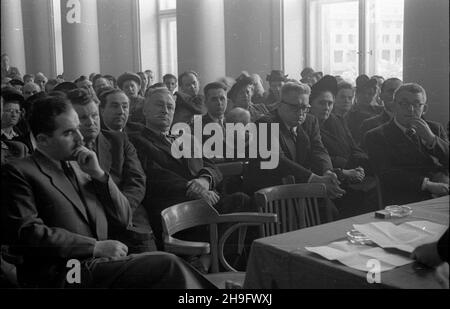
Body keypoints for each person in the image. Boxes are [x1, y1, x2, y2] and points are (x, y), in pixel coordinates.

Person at [1, 95, 214, 288]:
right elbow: (27, 233)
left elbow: (123, 218)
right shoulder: (20, 171)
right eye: (68, 132)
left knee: (167, 271)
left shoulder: (81, 165)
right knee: (166, 265)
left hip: (98, 264)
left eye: (78, 128)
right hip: (63, 272)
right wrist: (94, 247)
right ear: (43, 140)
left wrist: (100, 176)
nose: (80, 137)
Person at [128, 87, 253, 251]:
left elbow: (211, 166)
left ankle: (218, 261)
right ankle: (214, 260)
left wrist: (204, 180)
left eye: (170, 107)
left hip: (200, 199)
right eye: (159, 105)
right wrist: (193, 188)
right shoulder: (137, 140)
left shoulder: (183, 138)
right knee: (240, 203)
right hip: (172, 205)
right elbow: (155, 176)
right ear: (145, 109)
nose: (165, 111)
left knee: (244, 203)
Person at [67, 88, 153, 249]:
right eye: (82, 118)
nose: (91, 122)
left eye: (94, 116)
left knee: (158, 263)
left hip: (129, 219)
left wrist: (121, 210)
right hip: (88, 226)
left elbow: (137, 181)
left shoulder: (118, 140)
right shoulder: (65, 150)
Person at [245, 82, 346, 205]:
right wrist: (314, 178)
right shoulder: (265, 124)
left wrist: (327, 171)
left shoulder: (310, 121)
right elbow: (278, 160)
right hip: (271, 196)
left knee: (333, 209)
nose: (301, 113)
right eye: (295, 107)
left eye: (305, 107)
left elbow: (319, 150)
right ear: (280, 105)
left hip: (300, 189)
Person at [365, 83, 449, 205]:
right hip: (406, 198)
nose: (410, 109)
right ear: (393, 106)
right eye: (404, 104)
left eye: (416, 104)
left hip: (443, 194)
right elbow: (387, 173)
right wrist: (427, 185)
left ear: (424, 109)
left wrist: (431, 139)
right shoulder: (376, 135)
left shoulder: (435, 129)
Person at [360, 78, 403, 147]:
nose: (394, 96)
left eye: (398, 92)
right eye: (391, 91)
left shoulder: (415, 124)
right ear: (381, 95)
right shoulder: (369, 125)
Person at [345, 74, 384, 144]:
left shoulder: (380, 110)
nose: (366, 96)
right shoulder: (349, 113)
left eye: (369, 94)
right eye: (362, 93)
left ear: (373, 94)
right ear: (356, 94)